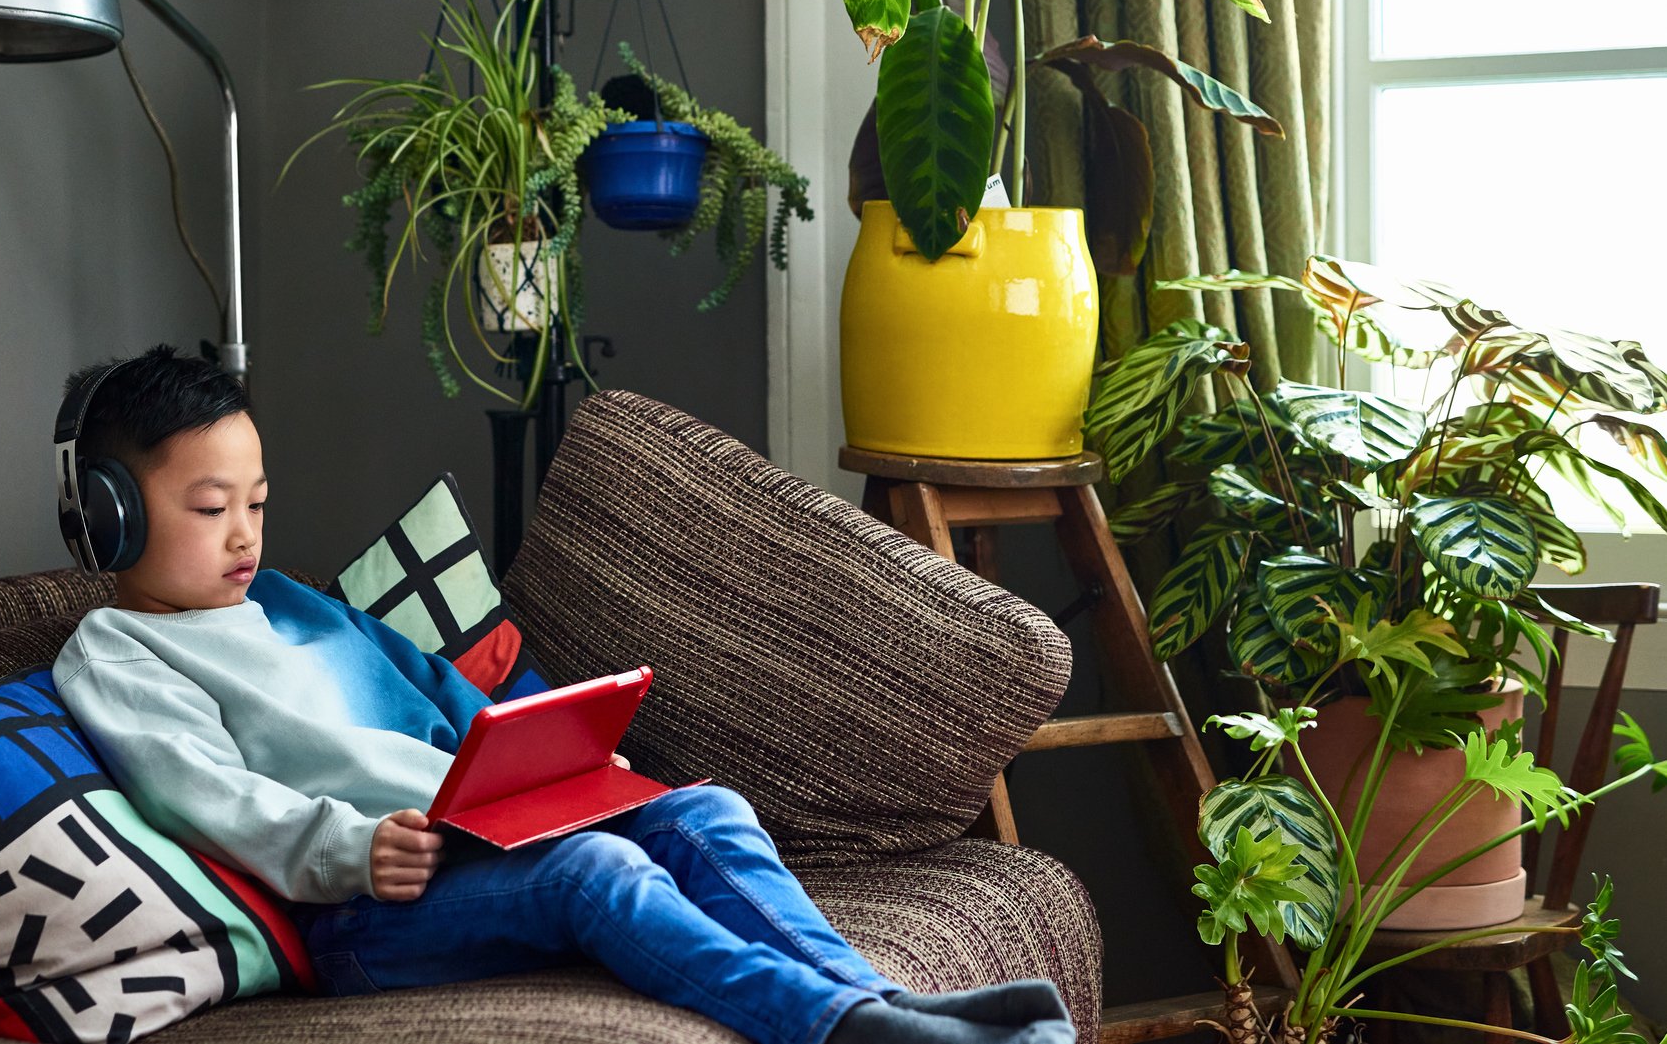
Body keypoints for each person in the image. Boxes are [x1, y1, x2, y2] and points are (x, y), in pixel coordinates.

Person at [52, 345, 1074, 1044]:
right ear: (108, 516)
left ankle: (879, 1002)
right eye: (208, 507)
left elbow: (443, 699)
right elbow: (206, 796)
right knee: (596, 872)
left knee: (704, 810)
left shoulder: (287, 603)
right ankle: (835, 1027)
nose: (244, 533)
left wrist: (567, 765)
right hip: (362, 911)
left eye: (257, 504)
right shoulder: (118, 653)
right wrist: (350, 848)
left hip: (473, 842)